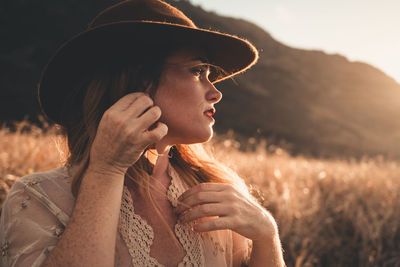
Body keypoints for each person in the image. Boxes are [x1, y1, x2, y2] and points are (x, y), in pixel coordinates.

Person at [0, 0, 285, 266]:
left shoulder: (219, 192)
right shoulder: (38, 197)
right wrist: (105, 172)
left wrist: (266, 234)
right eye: (198, 71)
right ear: (137, 81)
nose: (216, 92)